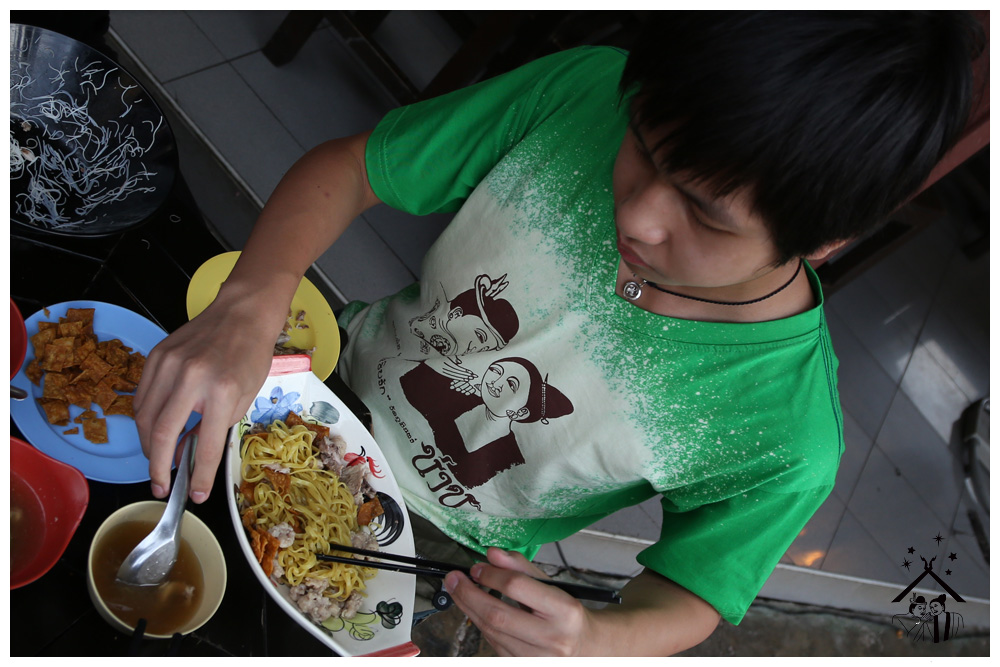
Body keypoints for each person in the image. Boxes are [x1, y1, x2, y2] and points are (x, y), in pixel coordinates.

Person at [134, 11, 981, 656]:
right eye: (643, 144)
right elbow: (354, 169)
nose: (638, 214)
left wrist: (595, 638)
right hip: (320, 386)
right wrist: (252, 300)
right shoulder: (585, 92)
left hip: (440, 555)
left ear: (823, 241)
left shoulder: (786, 432)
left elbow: (690, 593)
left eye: (704, 214)